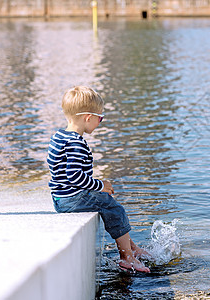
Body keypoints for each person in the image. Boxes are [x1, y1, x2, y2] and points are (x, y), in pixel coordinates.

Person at [47, 86, 150, 273]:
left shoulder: (58, 136)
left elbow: (59, 170)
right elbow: (75, 176)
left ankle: (132, 248)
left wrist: (95, 186)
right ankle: (127, 257)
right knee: (114, 208)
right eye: (100, 118)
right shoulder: (76, 142)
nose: (100, 122)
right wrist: (101, 185)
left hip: (60, 198)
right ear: (88, 117)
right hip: (73, 198)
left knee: (107, 203)